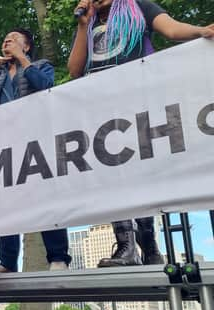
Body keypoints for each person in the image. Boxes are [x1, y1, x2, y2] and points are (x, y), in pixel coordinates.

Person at [68, 0, 214, 267]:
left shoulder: (139, 6)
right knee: (114, 173)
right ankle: (126, 246)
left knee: (141, 170)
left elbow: (171, 29)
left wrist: (201, 31)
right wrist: (82, 25)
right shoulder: (89, 23)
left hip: (139, 99)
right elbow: (75, 69)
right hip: (103, 106)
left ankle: (149, 245)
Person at [0, 28, 71, 273]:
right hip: (4, 143)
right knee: (7, 200)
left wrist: (23, 60)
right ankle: (8, 262)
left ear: (26, 47)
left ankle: (58, 257)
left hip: (36, 139)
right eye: (4, 40)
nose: (6, 42)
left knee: (45, 195)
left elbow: (45, 86)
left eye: (13, 39)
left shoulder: (41, 65)